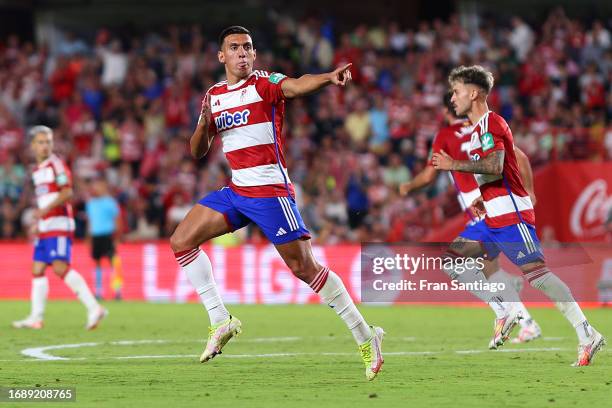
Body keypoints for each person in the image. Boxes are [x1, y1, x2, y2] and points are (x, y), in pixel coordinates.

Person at [169, 26, 384, 381]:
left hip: (270, 192)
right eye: (234, 47)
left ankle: (366, 335)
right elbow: (197, 151)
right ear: (221, 56)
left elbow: (297, 84)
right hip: (238, 190)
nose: (242, 53)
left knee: (305, 269)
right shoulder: (214, 95)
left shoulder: (264, 83)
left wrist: (329, 78)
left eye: (248, 47)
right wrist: (204, 123)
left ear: (254, 55)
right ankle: (220, 319)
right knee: (181, 241)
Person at [432, 65, 605, 366]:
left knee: (539, 276)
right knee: (453, 260)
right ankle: (504, 309)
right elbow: (511, 162)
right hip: (493, 216)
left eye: (457, 91)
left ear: (474, 93)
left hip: (512, 215)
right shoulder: (477, 132)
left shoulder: (490, 124)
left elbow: (496, 165)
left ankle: (586, 333)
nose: (452, 98)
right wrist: (485, 198)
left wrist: (454, 164)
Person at [400, 93, 542, 347]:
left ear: (447, 112)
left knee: (457, 262)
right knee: (489, 268)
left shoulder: (444, 135)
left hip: (481, 209)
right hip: (499, 202)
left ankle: (507, 312)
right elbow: (521, 157)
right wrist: (530, 191)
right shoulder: (482, 127)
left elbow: (429, 176)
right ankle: (526, 322)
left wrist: (408, 187)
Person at [13, 126, 108, 330]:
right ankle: (36, 318)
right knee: (37, 268)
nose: (45, 146)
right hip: (46, 224)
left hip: (59, 223)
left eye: (48, 141)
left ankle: (94, 308)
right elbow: (44, 198)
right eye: (41, 142)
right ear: (33, 145)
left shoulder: (56, 165)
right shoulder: (37, 170)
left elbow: (66, 192)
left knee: (59, 268)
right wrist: (39, 221)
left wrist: (43, 211)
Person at [85, 177, 123, 300]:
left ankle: (117, 291)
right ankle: (98, 291)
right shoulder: (90, 203)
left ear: (104, 187)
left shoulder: (110, 202)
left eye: (98, 186)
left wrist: (117, 238)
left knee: (114, 263)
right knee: (97, 264)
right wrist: (89, 238)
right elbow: (90, 222)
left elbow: (118, 220)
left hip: (108, 236)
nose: (95, 189)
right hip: (96, 236)